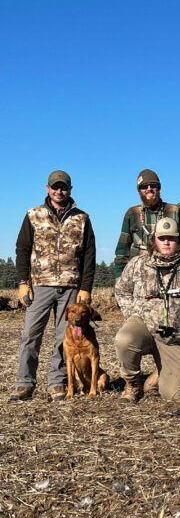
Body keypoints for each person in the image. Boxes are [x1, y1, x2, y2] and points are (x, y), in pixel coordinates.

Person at [11, 170, 96, 401]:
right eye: (55, 187)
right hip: (40, 285)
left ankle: (57, 383)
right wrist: (22, 282)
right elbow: (22, 249)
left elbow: (89, 255)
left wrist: (85, 288)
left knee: (63, 338)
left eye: (64, 187)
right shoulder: (33, 214)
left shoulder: (82, 218)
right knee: (30, 335)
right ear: (47, 189)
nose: (59, 191)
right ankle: (24, 383)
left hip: (71, 287)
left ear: (70, 189)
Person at [114, 217, 180, 402]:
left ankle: (157, 375)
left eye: (171, 238)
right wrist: (132, 315)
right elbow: (121, 289)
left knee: (173, 395)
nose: (166, 242)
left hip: (175, 337)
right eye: (162, 237)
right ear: (154, 240)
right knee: (124, 339)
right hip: (144, 327)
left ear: (179, 240)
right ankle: (132, 384)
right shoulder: (138, 263)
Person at [113, 168, 180, 278]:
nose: (149, 189)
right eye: (144, 186)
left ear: (159, 188)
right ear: (139, 190)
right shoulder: (132, 213)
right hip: (138, 275)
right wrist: (119, 278)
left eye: (153, 185)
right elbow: (121, 252)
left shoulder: (175, 211)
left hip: (171, 273)